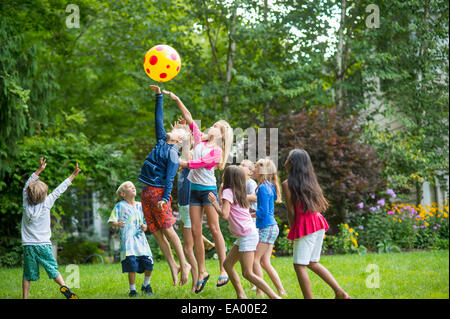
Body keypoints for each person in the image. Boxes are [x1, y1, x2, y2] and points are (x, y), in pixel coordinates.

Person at [163, 89, 233, 293]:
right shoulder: (200, 140)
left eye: (217, 127)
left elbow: (199, 163)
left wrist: (183, 163)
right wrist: (177, 99)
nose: (213, 127)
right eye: (213, 125)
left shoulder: (217, 151)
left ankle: (223, 268)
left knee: (214, 228)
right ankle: (202, 271)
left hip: (208, 191)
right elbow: (189, 117)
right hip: (194, 191)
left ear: (221, 135)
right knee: (195, 231)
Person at [138, 85, 191, 287]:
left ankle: (184, 264)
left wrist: (163, 198)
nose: (171, 128)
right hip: (146, 193)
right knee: (158, 234)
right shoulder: (161, 141)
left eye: (176, 130)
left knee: (168, 230)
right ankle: (173, 269)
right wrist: (159, 95)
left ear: (178, 139)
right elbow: (157, 119)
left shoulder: (173, 155)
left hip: (159, 194)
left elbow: (170, 180)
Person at [282, 149, 350, 299]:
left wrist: (294, 230)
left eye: (287, 159)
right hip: (318, 223)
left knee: (299, 265)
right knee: (312, 262)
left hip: (306, 225)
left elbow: (291, 212)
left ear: (292, 163)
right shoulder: (311, 182)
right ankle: (340, 293)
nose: (285, 161)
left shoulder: (287, 184)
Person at [208, 165, 281, 299]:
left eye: (225, 173)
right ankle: (241, 295)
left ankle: (274, 296)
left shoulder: (229, 191)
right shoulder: (237, 190)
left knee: (247, 273)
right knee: (227, 264)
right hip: (246, 233)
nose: (223, 175)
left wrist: (214, 203)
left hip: (247, 234)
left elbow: (224, 215)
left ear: (229, 177)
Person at [21, 157, 80, 299]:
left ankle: (25, 297)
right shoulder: (47, 203)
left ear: (28, 194)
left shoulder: (25, 203)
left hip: (29, 246)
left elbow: (27, 185)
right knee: (53, 269)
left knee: (27, 274)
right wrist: (73, 175)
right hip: (44, 245)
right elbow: (60, 189)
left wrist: (39, 170)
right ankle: (64, 287)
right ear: (44, 195)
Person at [177, 145, 215, 293]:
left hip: (187, 207)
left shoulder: (190, 170)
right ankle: (206, 242)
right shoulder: (182, 171)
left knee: (187, 248)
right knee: (188, 242)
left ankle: (196, 282)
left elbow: (187, 151)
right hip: (183, 207)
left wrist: (185, 131)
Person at [108, 181, 154, 297]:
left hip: (141, 242)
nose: (133, 187)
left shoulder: (140, 205)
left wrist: (145, 226)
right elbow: (111, 221)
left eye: (133, 186)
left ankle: (146, 285)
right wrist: (117, 224)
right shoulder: (120, 206)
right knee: (132, 266)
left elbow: (145, 221)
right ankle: (132, 290)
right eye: (129, 187)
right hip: (128, 243)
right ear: (123, 194)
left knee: (149, 263)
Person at [252, 158, 286, 297]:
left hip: (267, 227)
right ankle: (281, 291)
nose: (253, 170)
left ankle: (260, 291)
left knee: (255, 259)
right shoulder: (269, 186)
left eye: (255, 168)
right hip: (272, 227)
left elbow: (263, 212)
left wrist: (251, 214)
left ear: (261, 171)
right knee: (265, 262)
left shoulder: (262, 188)